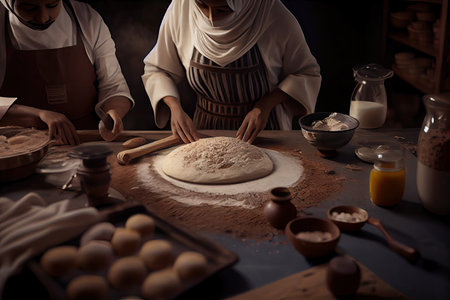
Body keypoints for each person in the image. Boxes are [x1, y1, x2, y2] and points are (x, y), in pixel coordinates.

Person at [142, 0, 321, 144]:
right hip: (203, 132)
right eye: (203, 5)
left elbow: (305, 74)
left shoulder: (270, 13)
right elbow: (157, 70)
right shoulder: (182, 7)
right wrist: (174, 107)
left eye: (222, 10)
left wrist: (264, 106)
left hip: (261, 132)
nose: (211, 18)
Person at [0, 0, 134, 145]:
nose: (43, 18)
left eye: (52, 5)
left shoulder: (86, 18)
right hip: (18, 147)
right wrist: (39, 116)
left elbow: (113, 85)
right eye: (29, 8)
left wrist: (113, 112)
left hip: (86, 143)